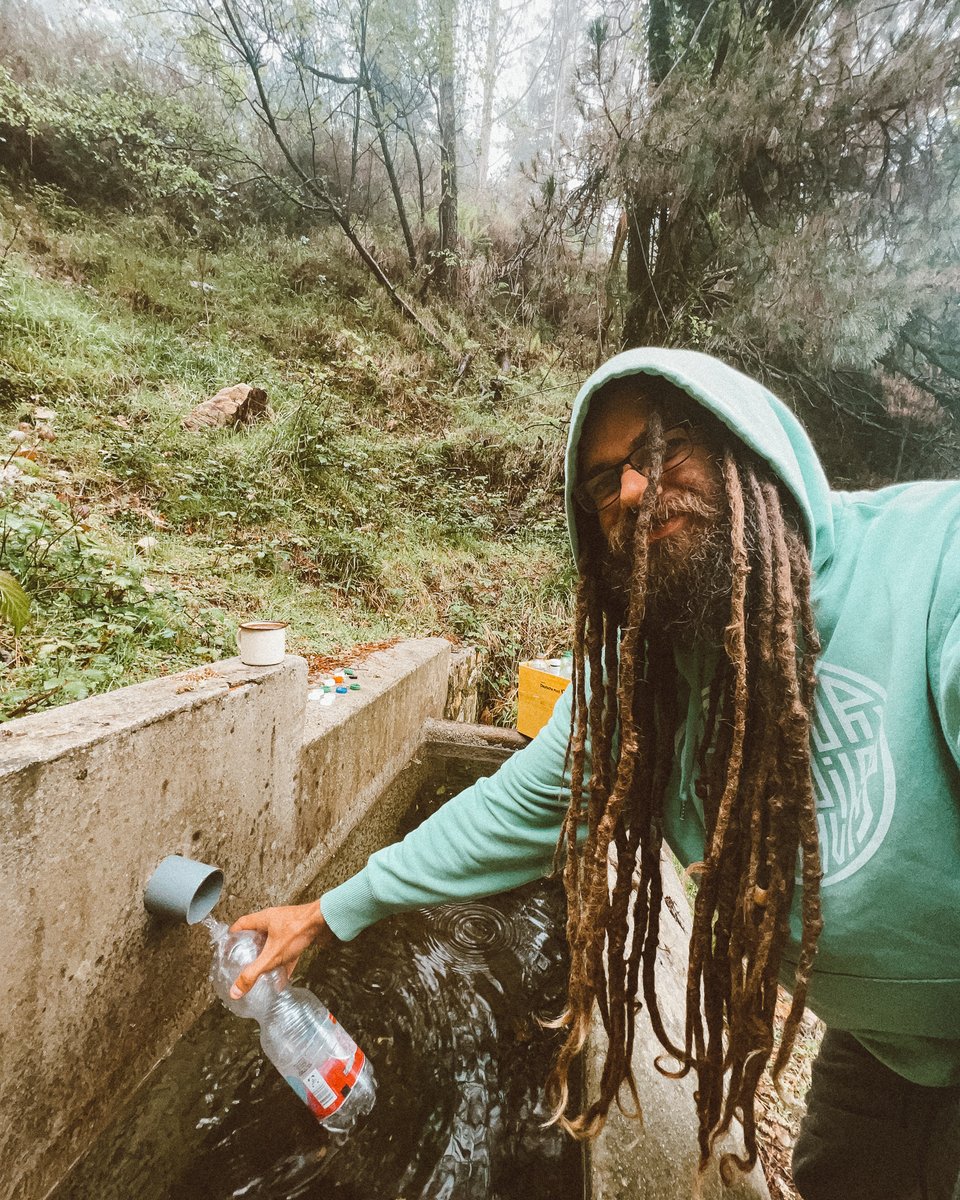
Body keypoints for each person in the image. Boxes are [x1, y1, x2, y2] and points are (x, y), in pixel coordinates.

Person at [228, 349, 960, 1199]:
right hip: (890, 1046)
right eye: (604, 483)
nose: (635, 493)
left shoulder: (930, 565)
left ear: (749, 450)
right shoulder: (644, 681)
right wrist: (327, 912)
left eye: (664, 449)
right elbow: (509, 811)